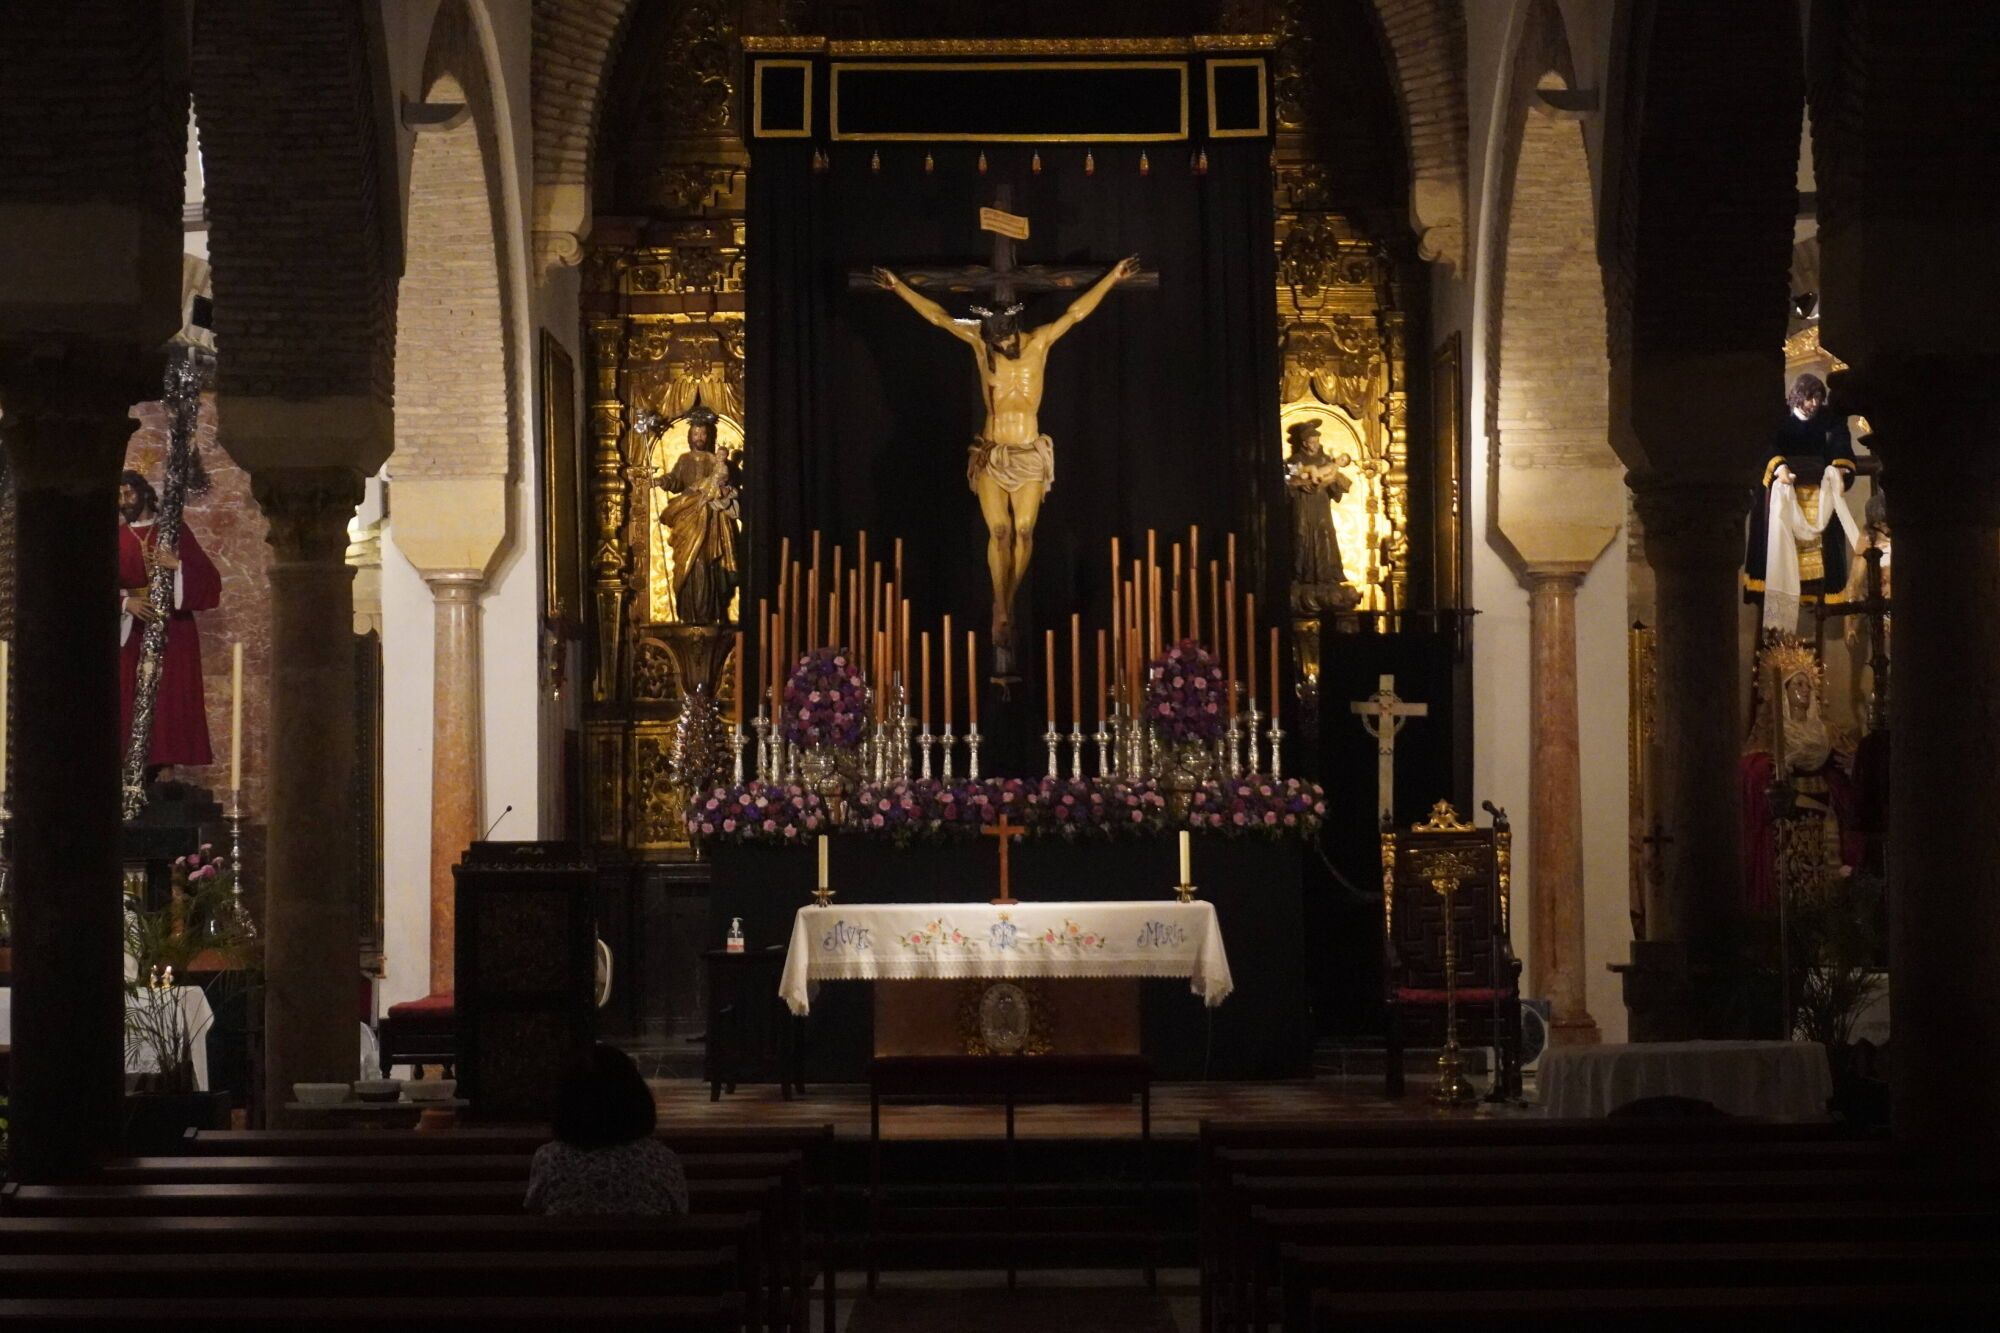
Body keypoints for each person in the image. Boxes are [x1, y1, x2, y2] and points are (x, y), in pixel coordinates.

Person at [874, 255, 1141, 671]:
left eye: (1003, 338)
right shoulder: (982, 347)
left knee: (1024, 530)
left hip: (1029, 454)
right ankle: (1003, 608)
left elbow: (1076, 312)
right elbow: (940, 318)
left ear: (1014, 331)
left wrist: (1113, 277)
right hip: (994, 453)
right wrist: (899, 288)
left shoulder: (1039, 343)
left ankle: (1005, 604)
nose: (999, 344)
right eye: (993, 339)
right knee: (999, 532)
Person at [118, 469, 221, 773]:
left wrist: (177, 565)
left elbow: (209, 579)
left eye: (129, 493)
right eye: (120, 496)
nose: (125, 501)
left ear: (146, 493)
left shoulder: (173, 531)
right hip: (132, 629)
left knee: (170, 698)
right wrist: (126, 602)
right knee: (132, 695)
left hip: (173, 630)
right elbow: (93, 587)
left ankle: (164, 768)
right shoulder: (115, 538)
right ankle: (133, 769)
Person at [525, 1044, 688, 1216]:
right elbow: (680, 1211)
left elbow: (534, 1209)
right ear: (636, 1099)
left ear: (565, 1104)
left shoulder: (550, 1159)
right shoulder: (661, 1159)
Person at [655, 402, 740, 625]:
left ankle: (709, 614)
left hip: (710, 523)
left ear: (708, 436)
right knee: (688, 566)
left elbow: (724, 481)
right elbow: (675, 480)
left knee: (706, 564)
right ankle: (688, 613)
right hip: (688, 519)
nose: (699, 436)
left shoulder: (715, 460)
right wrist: (662, 480)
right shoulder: (684, 460)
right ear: (690, 436)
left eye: (703, 432)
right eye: (696, 432)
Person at [1284, 419, 1360, 614]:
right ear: (1304, 443)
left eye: (1317, 439)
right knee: (1302, 537)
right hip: (1302, 506)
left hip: (1320, 506)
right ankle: (1303, 576)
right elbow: (1287, 482)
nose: (1315, 443)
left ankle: (1326, 577)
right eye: (1311, 440)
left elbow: (1336, 484)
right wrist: (1301, 484)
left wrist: (1333, 481)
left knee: (1325, 536)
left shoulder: (1326, 460)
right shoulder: (1294, 462)